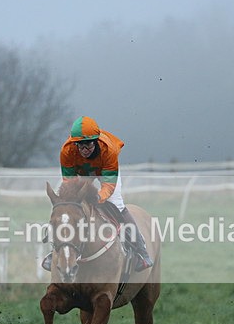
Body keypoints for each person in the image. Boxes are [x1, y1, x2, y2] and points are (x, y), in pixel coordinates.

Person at [41, 116, 154, 272]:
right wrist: (73, 198)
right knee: (67, 207)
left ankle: (141, 250)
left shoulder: (109, 150)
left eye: (87, 145)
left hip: (104, 172)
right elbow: (69, 182)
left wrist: (98, 197)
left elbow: (108, 185)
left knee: (116, 203)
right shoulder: (67, 151)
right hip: (81, 172)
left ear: (96, 141)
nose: (84, 150)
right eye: (79, 146)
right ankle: (54, 252)